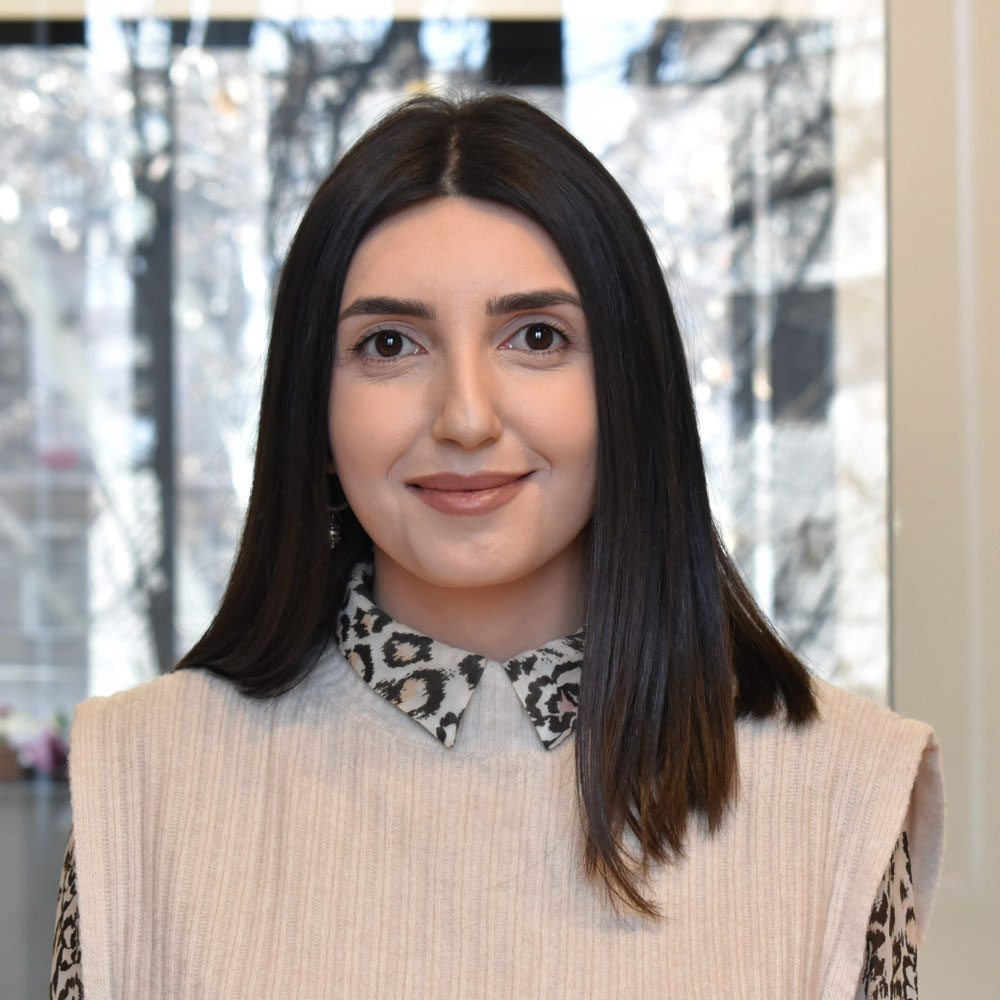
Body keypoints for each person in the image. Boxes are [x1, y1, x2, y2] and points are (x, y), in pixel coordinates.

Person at [51, 93, 943, 999]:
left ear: (629, 390)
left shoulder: (838, 787)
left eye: (537, 337)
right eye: (389, 344)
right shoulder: (144, 777)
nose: (466, 418)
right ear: (312, 411)